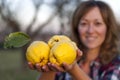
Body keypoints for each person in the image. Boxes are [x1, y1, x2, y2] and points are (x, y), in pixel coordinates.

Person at [28, 0, 120, 80]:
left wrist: (73, 69)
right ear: (77, 27)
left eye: (97, 23)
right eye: (84, 23)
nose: (90, 30)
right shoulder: (62, 54)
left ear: (108, 27)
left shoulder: (116, 64)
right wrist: (49, 69)